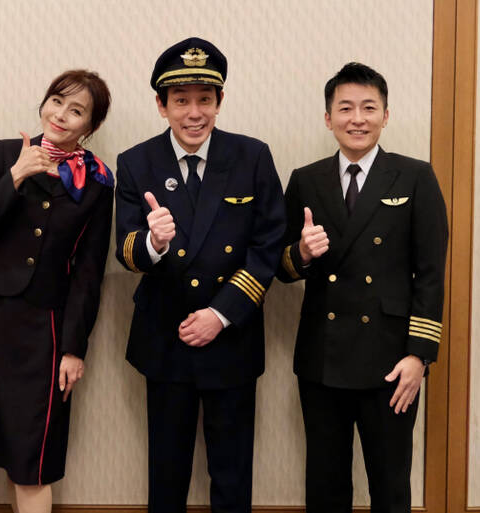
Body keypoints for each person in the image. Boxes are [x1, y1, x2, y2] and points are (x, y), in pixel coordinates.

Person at [114, 38, 285, 513]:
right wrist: (155, 242)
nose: (194, 113)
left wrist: (220, 314)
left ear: (220, 101)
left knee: (232, 472)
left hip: (231, 336)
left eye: (204, 100)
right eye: (181, 101)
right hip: (165, 337)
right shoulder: (136, 162)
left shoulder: (251, 156)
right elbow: (126, 251)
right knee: (166, 471)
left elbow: (268, 243)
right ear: (161, 105)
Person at [276, 62, 449, 512]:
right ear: (328, 118)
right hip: (323, 358)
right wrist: (303, 253)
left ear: (385, 116)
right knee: (325, 486)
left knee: (390, 486)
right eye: (346, 108)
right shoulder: (306, 179)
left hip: (391, 361)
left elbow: (431, 273)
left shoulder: (414, 176)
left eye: (369, 108)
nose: (357, 118)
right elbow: (281, 266)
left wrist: (419, 356)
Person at [0, 70, 113, 513]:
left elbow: (89, 271)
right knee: (10, 449)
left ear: (91, 125)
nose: (61, 115)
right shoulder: (6, 153)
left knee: (34, 457)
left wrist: (75, 348)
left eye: (76, 110)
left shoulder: (98, 180)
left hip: (48, 327)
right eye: (56, 101)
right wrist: (17, 175)